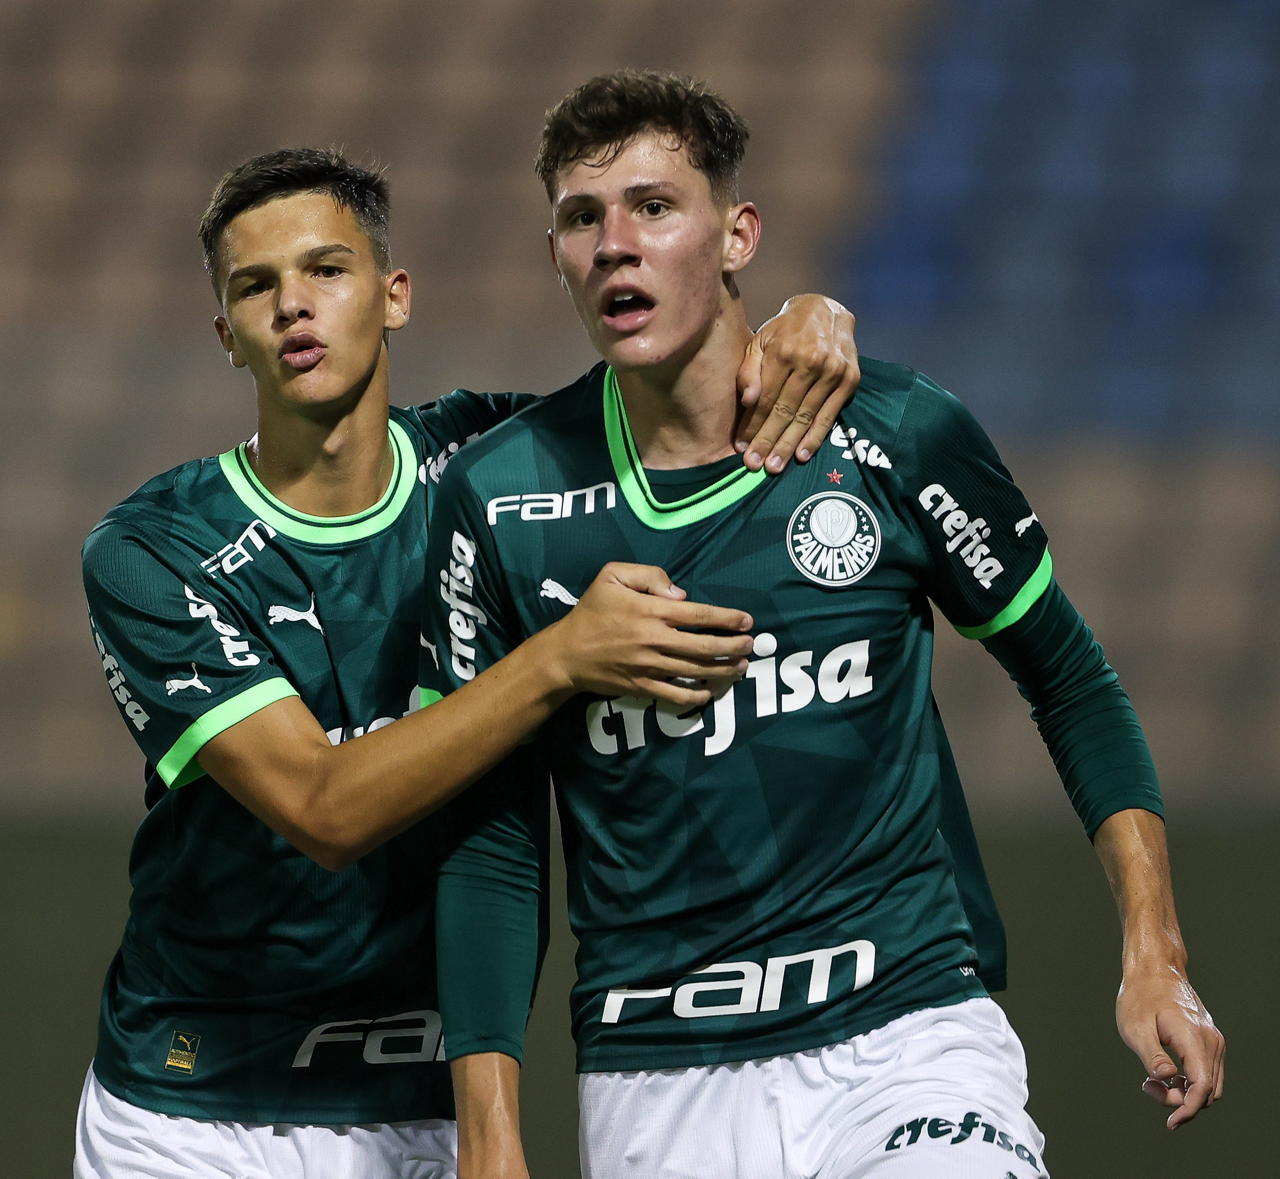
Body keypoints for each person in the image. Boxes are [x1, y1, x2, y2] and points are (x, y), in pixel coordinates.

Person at [421, 71, 1226, 1179]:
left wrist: (1155, 951)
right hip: (656, 1077)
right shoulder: (501, 497)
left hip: (907, 1033)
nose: (614, 245)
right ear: (554, 252)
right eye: (580, 218)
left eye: (654, 207)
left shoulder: (893, 431)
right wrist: (490, 1132)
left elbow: (1069, 679)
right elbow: (492, 840)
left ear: (737, 234)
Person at [74, 146, 863, 1179]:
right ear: (226, 335)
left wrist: (808, 315)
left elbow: (695, 381)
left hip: (422, 1112)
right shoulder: (152, 550)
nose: (292, 305)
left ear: (394, 296)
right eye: (255, 287)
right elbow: (323, 809)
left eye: (326, 270)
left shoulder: (501, 466)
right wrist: (558, 658)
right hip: (192, 1110)